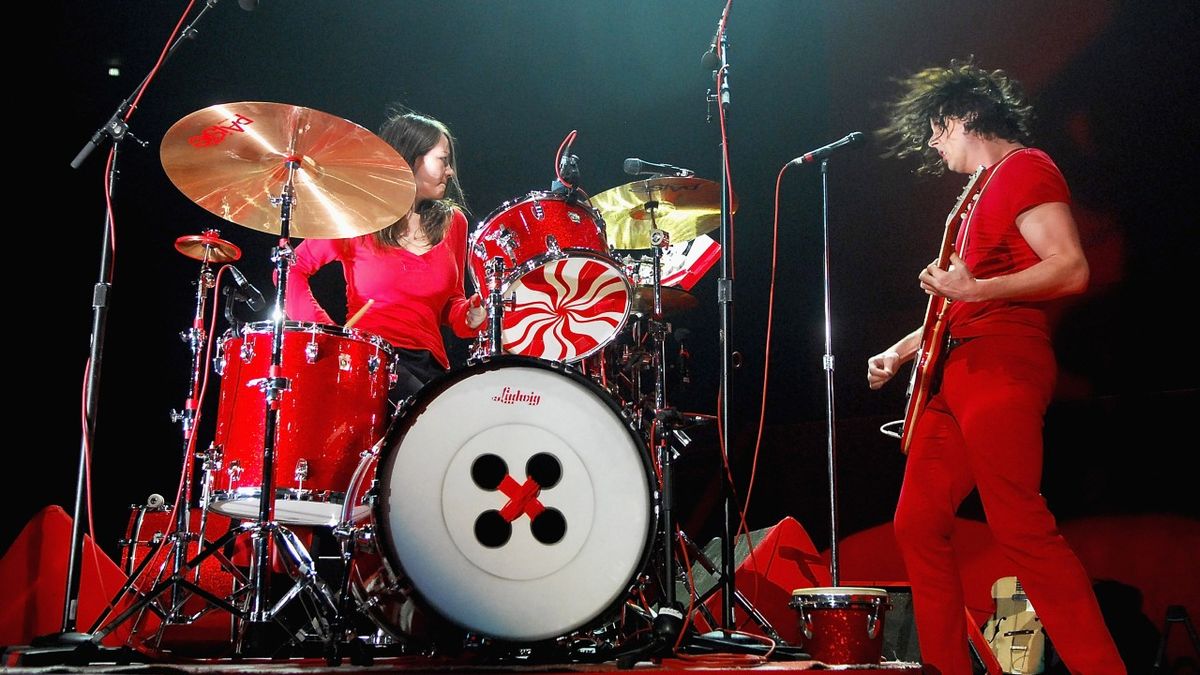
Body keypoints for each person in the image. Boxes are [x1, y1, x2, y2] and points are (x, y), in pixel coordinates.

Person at [867, 60, 1125, 674]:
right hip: (954, 373)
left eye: (938, 128)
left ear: (963, 117)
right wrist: (900, 351)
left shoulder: (1026, 168)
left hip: (1002, 364)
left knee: (1020, 527)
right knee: (917, 525)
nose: (933, 142)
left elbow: (1071, 267)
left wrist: (975, 292)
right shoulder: (977, 191)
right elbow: (961, 299)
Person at [287, 108, 485, 400]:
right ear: (410, 159)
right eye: (443, 160)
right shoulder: (358, 216)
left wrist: (470, 314)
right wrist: (330, 336)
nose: (450, 170)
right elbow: (292, 267)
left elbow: (451, 304)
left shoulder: (454, 222)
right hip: (371, 360)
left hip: (430, 368)